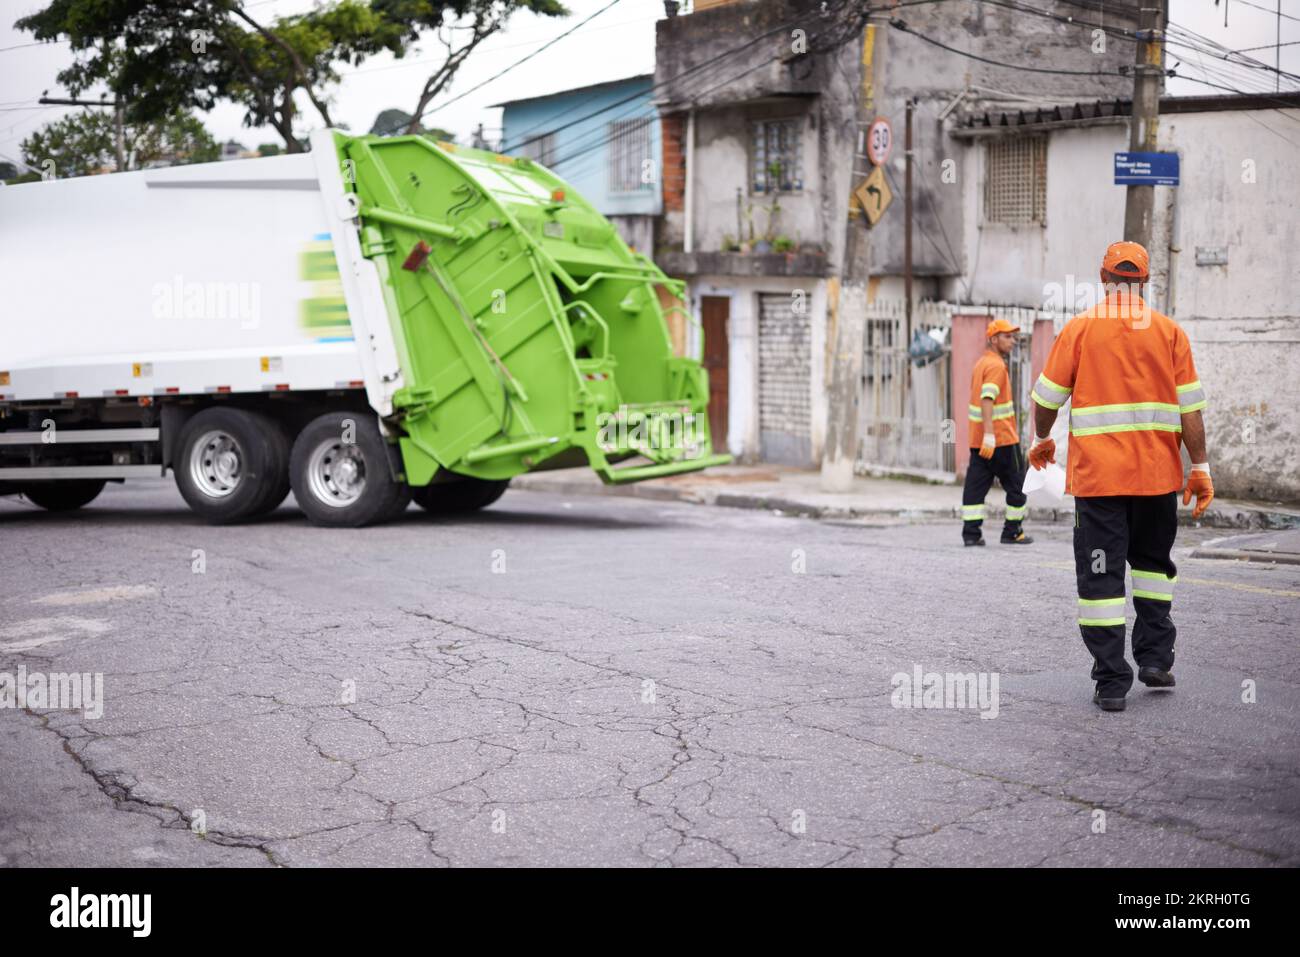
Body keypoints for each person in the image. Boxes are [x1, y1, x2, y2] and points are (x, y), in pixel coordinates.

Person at [1028, 241, 1214, 713]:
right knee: (1153, 570)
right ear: (1144, 281)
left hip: (1099, 483)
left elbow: (1047, 398)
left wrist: (1042, 438)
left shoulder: (1081, 329)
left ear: (1103, 276)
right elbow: (1190, 409)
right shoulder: (1171, 333)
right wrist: (1200, 468)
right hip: (1156, 479)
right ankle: (1155, 660)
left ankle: (1112, 682)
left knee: (1100, 578)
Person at [961, 318, 1032, 547]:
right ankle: (1012, 531)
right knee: (1018, 486)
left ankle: (971, 534)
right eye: (1007, 336)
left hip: (979, 440)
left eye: (1013, 336)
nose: (1013, 341)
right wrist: (991, 435)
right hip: (1001, 439)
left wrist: (985, 436)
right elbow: (987, 399)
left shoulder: (981, 363)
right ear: (993, 339)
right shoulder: (996, 366)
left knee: (975, 487)